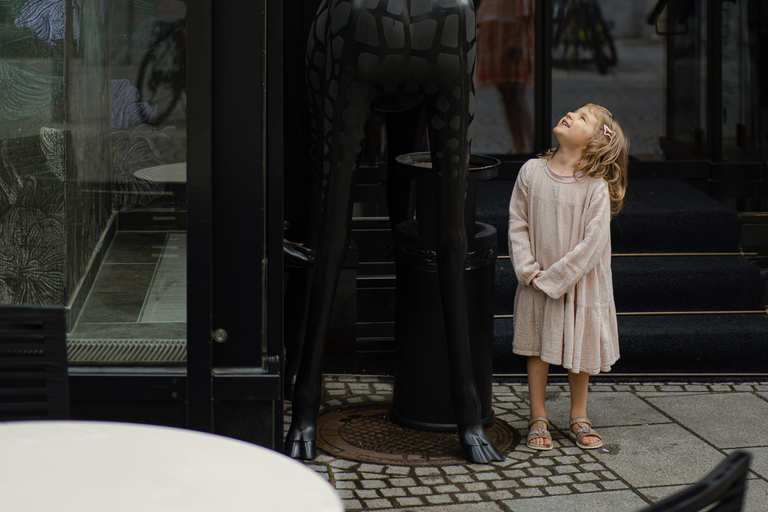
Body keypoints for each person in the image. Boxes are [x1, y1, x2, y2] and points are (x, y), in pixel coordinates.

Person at [507, 103, 628, 451]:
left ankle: (579, 414)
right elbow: (518, 223)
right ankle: (538, 415)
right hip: (537, 278)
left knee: (580, 346)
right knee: (538, 348)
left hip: (578, 283)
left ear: (594, 142)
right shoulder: (531, 172)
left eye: (583, 117)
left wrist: (557, 278)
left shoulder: (595, 187)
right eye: (574, 111)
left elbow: (594, 243)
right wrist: (530, 271)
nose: (571, 115)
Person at [476, 0, 535, 154]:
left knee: (516, 93)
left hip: (510, 32)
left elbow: (526, 7)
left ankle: (532, 144)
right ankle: (520, 146)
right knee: (507, 94)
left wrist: (517, 37)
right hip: (496, 33)